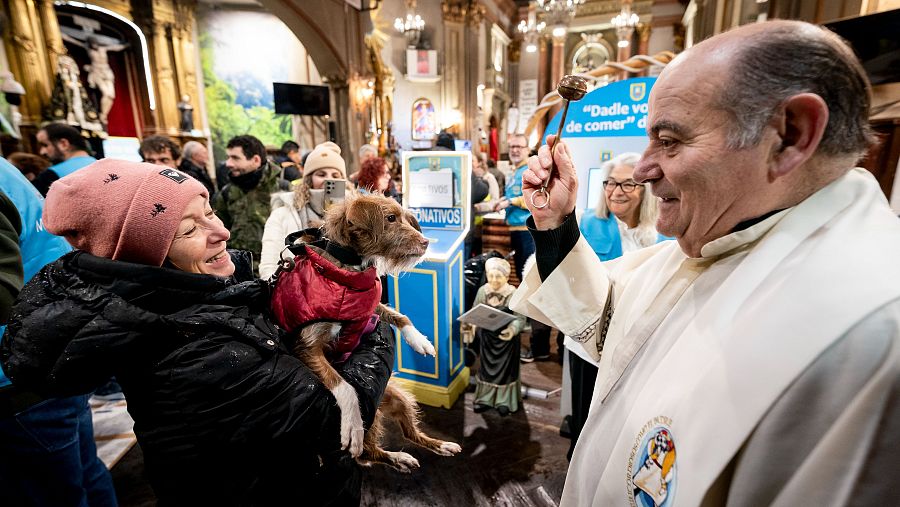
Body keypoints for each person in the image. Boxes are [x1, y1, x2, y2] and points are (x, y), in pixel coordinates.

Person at [510, 20, 900, 505]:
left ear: (790, 134)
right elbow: (615, 332)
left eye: (670, 141)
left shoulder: (873, 334)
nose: (645, 169)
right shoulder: (719, 238)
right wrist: (556, 225)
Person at [0, 159, 394, 505]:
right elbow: (328, 419)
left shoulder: (212, 293)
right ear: (148, 256)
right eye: (189, 230)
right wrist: (373, 327)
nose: (220, 232)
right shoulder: (187, 344)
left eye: (210, 211)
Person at [0, 159, 117, 506]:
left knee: (54, 492)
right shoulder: (6, 170)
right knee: (82, 476)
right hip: (54, 351)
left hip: (19, 379)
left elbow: (1, 300)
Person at [564, 151, 668, 461]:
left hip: (639, 340)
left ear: (645, 189)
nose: (615, 191)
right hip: (590, 340)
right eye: (610, 183)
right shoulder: (587, 222)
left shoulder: (663, 231)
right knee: (586, 410)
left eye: (627, 184)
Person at [259, 141, 348, 279]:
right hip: (297, 292)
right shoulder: (283, 214)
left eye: (335, 176)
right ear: (309, 178)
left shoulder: (356, 216)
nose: (328, 180)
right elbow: (269, 266)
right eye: (321, 174)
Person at [461, 258, 525, 417]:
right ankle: (485, 398)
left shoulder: (513, 293)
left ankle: (504, 401)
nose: (494, 280)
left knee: (505, 371)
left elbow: (521, 318)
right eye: (491, 276)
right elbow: (475, 312)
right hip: (487, 339)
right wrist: (469, 324)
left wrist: (512, 329)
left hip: (506, 341)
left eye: (498, 276)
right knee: (486, 370)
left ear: (507, 277)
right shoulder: (483, 291)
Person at [212, 134, 281, 269]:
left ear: (255, 160)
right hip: (237, 268)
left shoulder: (283, 190)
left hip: (275, 266)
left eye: (235, 158)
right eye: (228, 157)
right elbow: (218, 232)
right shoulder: (226, 193)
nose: (228, 163)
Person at [31, 122, 97, 196]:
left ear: (63, 144)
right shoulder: (103, 166)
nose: (42, 152)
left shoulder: (50, 176)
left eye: (45, 145)